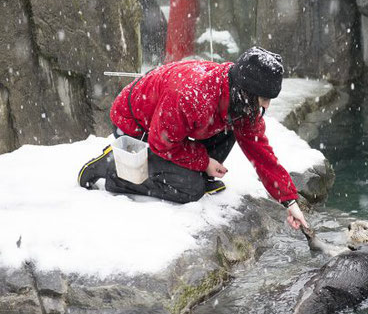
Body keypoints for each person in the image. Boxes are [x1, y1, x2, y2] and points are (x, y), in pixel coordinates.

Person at [78, 47, 309, 230]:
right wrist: (204, 162)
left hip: (168, 129)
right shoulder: (193, 95)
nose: (266, 105)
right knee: (191, 189)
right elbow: (162, 142)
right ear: (245, 91)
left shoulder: (240, 101)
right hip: (136, 128)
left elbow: (260, 151)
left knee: (232, 129)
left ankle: (189, 174)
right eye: (263, 98)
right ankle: (114, 167)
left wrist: (289, 200)